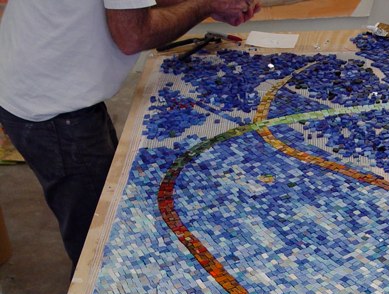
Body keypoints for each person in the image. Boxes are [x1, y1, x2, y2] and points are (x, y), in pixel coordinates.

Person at [0, 0, 262, 271]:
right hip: (51, 106)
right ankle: (97, 290)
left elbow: (133, 6)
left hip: (44, 82)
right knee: (99, 241)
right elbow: (133, 35)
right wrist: (205, 5)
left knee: (110, 199)